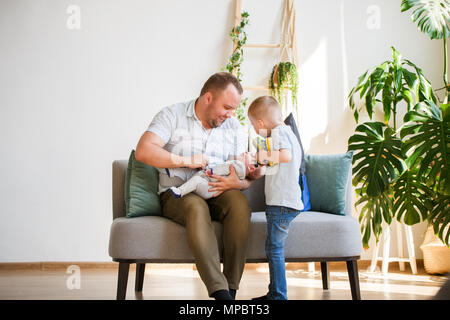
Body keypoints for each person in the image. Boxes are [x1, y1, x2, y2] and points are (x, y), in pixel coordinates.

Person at [135, 72, 263, 300]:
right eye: (227, 107)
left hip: (216, 188)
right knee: (196, 207)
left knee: (239, 204)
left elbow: (240, 172)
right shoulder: (172, 115)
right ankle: (220, 293)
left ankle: (231, 290)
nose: (231, 114)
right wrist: (186, 160)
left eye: (234, 109)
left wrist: (241, 181)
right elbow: (144, 150)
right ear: (208, 98)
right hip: (179, 193)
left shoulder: (234, 127)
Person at [247, 95, 304, 300]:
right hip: (286, 202)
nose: (255, 129)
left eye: (253, 125)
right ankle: (275, 293)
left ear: (261, 122)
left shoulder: (279, 132)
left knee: (275, 249)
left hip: (281, 203)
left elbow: (285, 156)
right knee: (274, 248)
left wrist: (260, 157)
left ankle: (278, 295)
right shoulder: (288, 132)